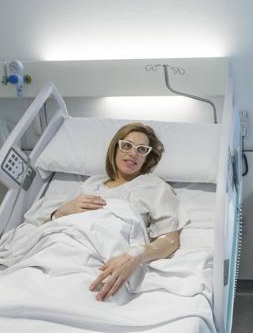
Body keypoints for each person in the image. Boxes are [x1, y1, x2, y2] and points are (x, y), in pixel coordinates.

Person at [47, 122, 189, 302]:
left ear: (147, 157)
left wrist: (136, 254)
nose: (133, 153)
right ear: (115, 148)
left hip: (104, 257)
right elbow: (56, 224)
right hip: (65, 246)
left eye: (142, 149)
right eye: (127, 146)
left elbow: (170, 240)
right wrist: (62, 211)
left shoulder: (156, 187)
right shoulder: (92, 184)